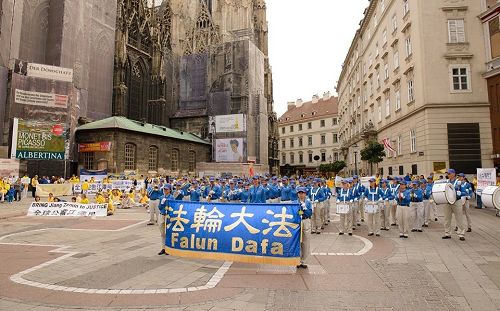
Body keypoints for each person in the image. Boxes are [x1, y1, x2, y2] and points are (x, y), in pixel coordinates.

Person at [442, 169, 466, 241]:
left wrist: (460, 193)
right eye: (447, 174)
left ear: (453, 174)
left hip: (456, 201)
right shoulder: (446, 182)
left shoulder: (459, 182)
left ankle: (461, 234)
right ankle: (447, 233)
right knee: (447, 218)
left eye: (449, 173)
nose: (448, 175)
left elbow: (464, 192)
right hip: (447, 202)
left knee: (459, 218)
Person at [295, 187, 312, 269]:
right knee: (297, 242)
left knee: (305, 242)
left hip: (305, 221)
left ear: (305, 194)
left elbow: (309, 213)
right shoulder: (295, 202)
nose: (301, 195)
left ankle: (304, 261)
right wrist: (301, 212)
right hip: (297, 222)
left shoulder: (308, 202)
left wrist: (304, 209)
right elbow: (295, 212)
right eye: (299, 193)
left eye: (302, 193)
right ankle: (297, 260)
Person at [158, 185, 174, 256]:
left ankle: (168, 248)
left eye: (166, 189)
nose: (165, 190)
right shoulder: (161, 197)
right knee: (162, 233)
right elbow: (159, 207)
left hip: (168, 215)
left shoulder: (171, 197)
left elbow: (173, 207)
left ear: (170, 190)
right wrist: (162, 202)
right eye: (164, 189)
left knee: (168, 232)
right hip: (162, 214)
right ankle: (163, 248)